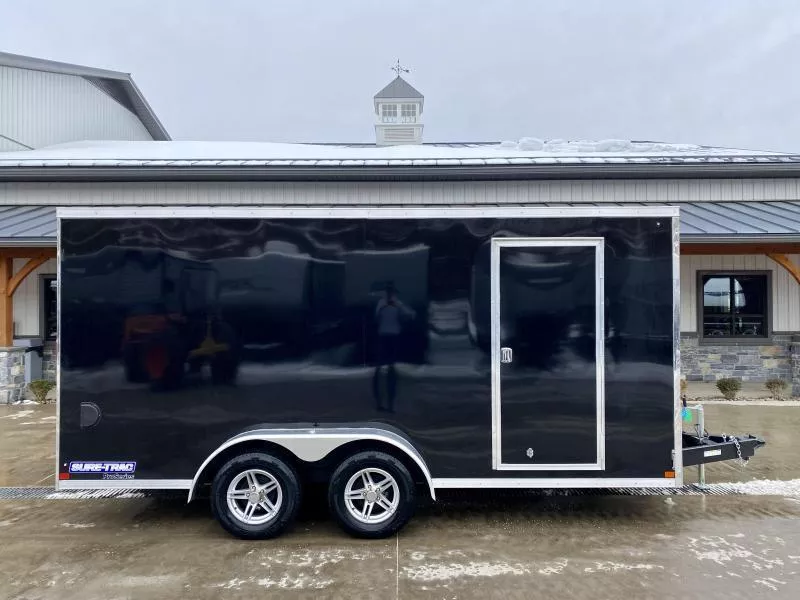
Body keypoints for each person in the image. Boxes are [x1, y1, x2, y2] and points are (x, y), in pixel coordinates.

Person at [372, 284, 415, 412]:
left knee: (389, 365)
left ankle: (388, 401)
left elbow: (411, 314)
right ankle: (382, 401)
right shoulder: (382, 303)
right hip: (385, 335)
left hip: (391, 335)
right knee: (383, 366)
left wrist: (402, 318)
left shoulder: (397, 304)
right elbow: (376, 318)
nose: (390, 295)